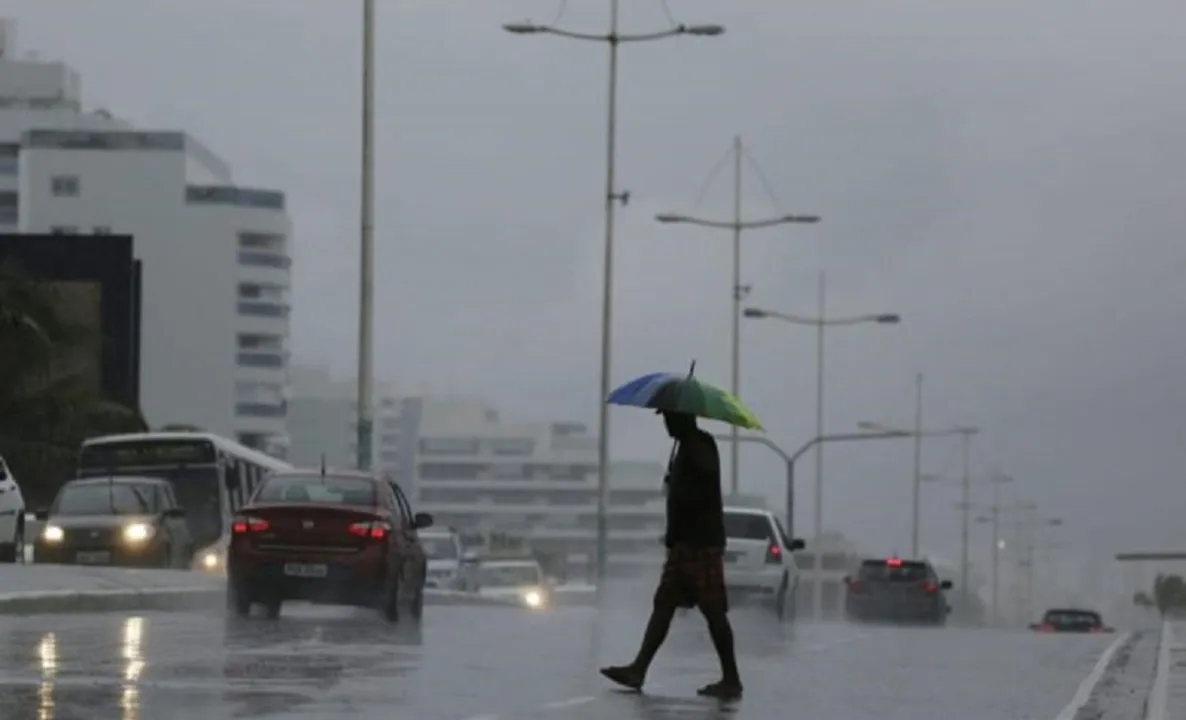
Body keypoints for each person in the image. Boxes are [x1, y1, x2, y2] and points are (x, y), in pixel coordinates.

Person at [599, 410, 743, 699]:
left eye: (668, 418)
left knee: (713, 611)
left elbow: (706, 474)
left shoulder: (699, 445)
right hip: (683, 545)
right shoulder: (684, 448)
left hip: (700, 544)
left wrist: (686, 461)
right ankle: (638, 669)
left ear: (683, 419)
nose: (665, 424)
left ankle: (731, 678)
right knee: (663, 605)